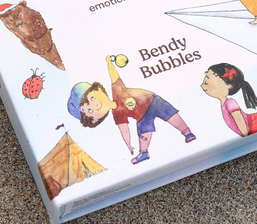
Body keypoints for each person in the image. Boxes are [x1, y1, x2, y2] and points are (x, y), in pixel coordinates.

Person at [67, 56, 196, 165]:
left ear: (99, 89)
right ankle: (143, 152)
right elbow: (124, 129)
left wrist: (109, 62)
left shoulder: (117, 91)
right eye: (90, 111)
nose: (95, 105)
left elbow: (113, 76)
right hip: (143, 115)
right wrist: (128, 143)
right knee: (143, 131)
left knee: (171, 115)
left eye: (92, 98)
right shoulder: (117, 114)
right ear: (95, 120)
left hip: (153, 99)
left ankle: (187, 132)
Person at [201, 63, 257, 137]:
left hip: (255, 123)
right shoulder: (225, 103)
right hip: (253, 124)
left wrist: (246, 136)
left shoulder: (230, 103)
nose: (202, 86)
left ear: (228, 85)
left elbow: (239, 119)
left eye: (206, 83)